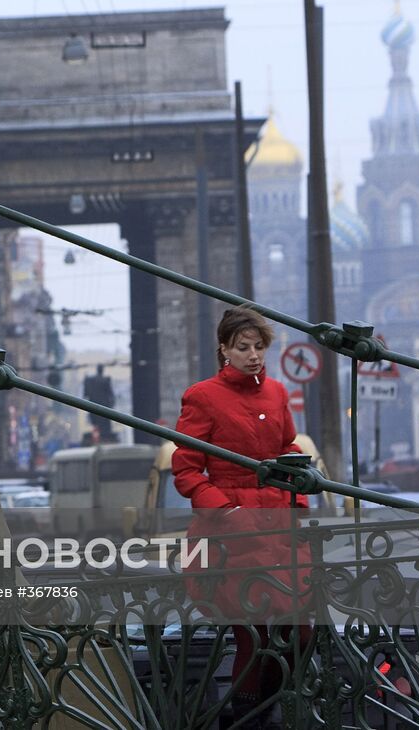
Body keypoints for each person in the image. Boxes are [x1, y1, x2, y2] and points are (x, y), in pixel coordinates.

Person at [172, 306, 310, 729]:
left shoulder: (277, 393)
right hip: (233, 531)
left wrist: (301, 483)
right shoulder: (203, 396)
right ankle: (246, 720)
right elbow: (186, 468)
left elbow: (287, 447)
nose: (253, 355)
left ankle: (260, 713)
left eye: (259, 347)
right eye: (242, 347)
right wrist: (226, 511)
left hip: (279, 525)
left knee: (302, 631)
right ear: (224, 350)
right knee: (253, 635)